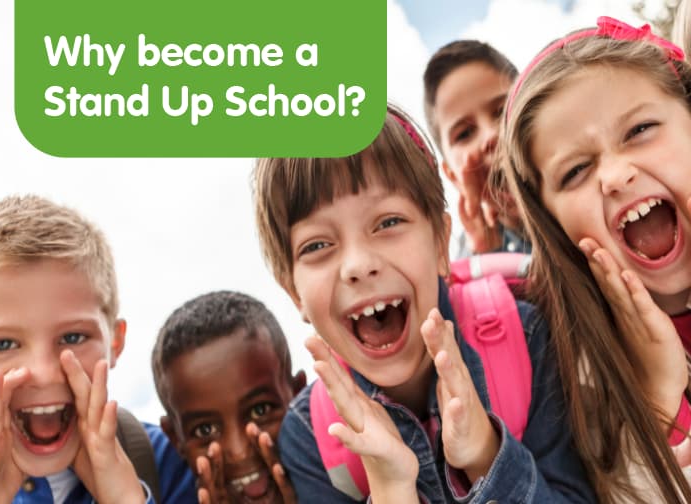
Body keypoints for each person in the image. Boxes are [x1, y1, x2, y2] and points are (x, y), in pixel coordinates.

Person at [252, 105, 594, 503]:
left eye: (388, 222)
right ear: (294, 294)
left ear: (440, 243)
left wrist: (486, 456)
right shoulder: (311, 436)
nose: (358, 266)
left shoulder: (527, 337)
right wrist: (391, 489)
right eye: (318, 246)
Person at [499, 15, 691, 502]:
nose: (616, 174)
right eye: (577, 171)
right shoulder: (574, 386)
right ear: (554, 226)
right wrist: (658, 404)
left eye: (641, 129)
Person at [0, 194, 196, 504]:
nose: (44, 374)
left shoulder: (171, 462)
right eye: (2, 344)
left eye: (72, 338)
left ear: (115, 341)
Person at [151, 290, 306, 504]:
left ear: (299, 395)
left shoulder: (357, 476)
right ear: (176, 439)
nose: (239, 451)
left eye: (260, 410)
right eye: (205, 430)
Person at [423, 40, 530, 257]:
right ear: (454, 177)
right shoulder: (470, 263)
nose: (491, 134)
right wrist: (489, 257)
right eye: (464, 134)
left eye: (500, 111)